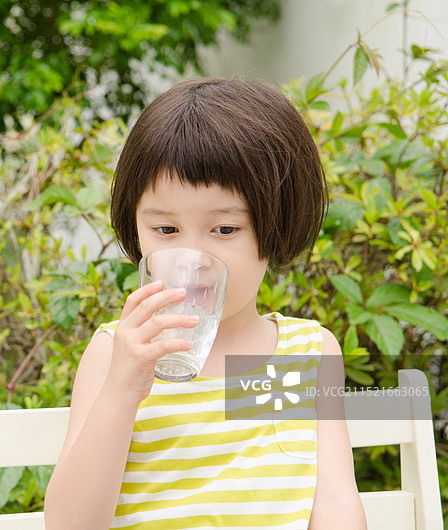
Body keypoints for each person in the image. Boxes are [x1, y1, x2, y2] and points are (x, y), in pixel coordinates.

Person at [43, 78, 367, 529]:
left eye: (225, 230)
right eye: (166, 231)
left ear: (277, 226)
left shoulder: (308, 352)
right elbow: (69, 524)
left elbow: (334, 502)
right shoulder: (113, 353)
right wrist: (121, 390)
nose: (193, 261)